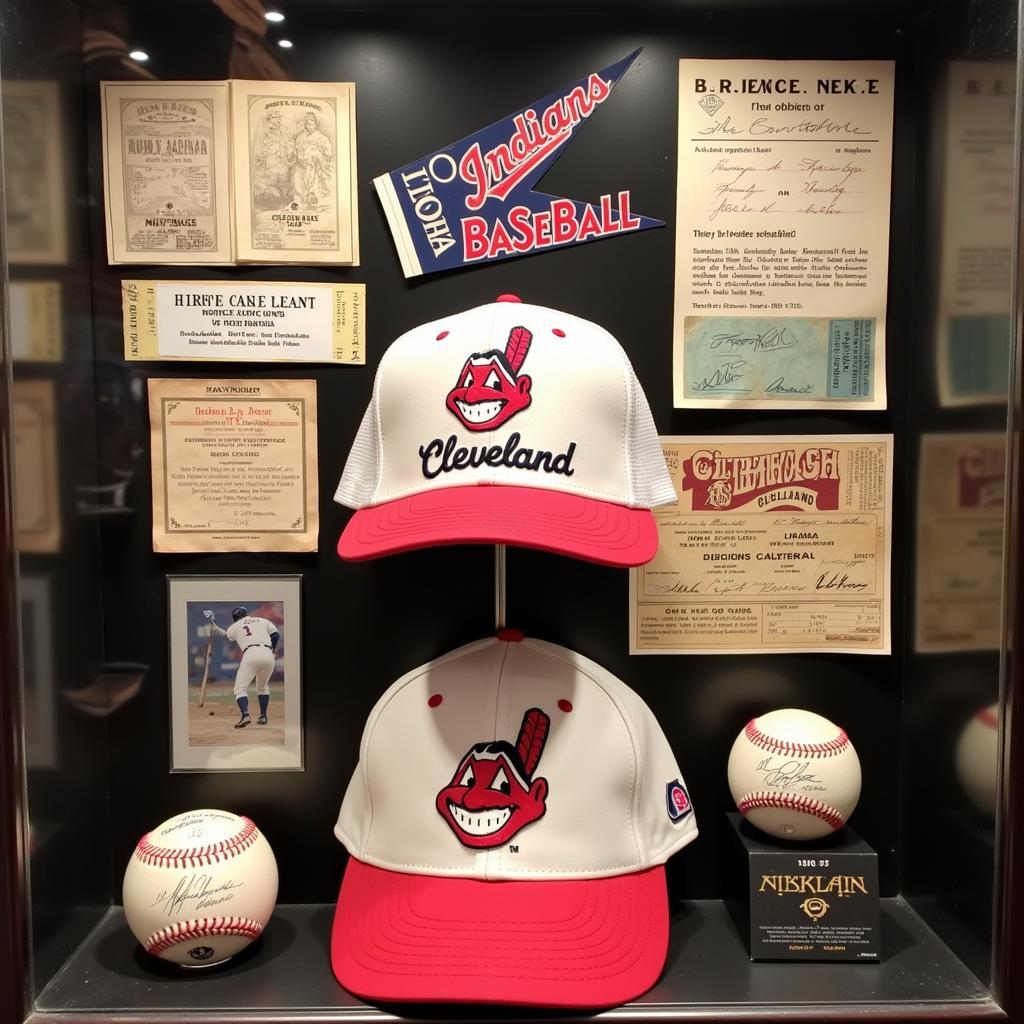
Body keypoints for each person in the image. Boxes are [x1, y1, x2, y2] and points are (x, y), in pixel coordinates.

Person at [202, 606, 280, 729]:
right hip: (268, 654)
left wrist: (212, 622)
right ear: (246, 614)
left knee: (240, 689)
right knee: (262, 687)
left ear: (234, 618)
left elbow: (223, 633)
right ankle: (263, 716)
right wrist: (273, 649)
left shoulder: (235, 626)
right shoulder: (261, 620)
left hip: (251, 653)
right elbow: (276, 635)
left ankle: (245, 715)